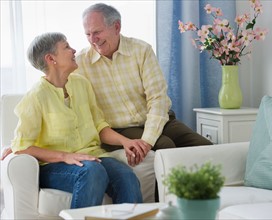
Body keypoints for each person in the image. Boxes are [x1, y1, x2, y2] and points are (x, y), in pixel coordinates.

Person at [2, 32, 143, 208]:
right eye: (66, 47)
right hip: (54, 166)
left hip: (92, 156)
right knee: (92, 172)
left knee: (126, 176)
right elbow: (22, 146)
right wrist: (65, 156)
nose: (73, 50)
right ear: (51, 58)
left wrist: (125, 141)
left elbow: (99, 125)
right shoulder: (36, 96)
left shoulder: (82, 84)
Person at [75, 3, 213, 165]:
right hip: (120, 129)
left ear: (116, 27)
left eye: (97, 32)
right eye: (88, 34)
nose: (93, 40)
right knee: (165, 146)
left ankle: (211, 190)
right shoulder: (81, 62)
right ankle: (170, 191)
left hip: (160, 119)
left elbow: (158, 99)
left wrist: (147, 139)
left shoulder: (141, 50)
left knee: (207, 149)